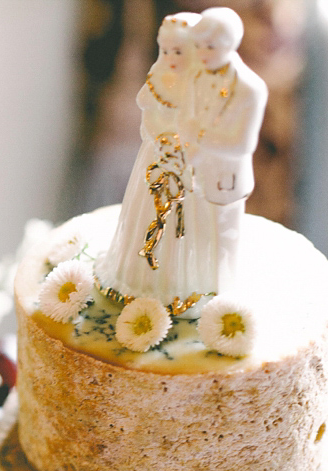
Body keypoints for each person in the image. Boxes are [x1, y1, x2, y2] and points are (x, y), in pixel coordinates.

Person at [95, 12, 219, 313]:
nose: (170, 57)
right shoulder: (158, 79)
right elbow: (147, 110)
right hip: (157, 158)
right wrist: (160, 138)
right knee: (146, 214)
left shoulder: (202, 87)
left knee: (187, 222)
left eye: (178, 51)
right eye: (165, 50)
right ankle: (140, 277)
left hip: (189, 167)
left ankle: (184, 281)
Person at [180, 6, 267, 296]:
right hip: (193, 171)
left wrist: (201, 137)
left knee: (223, 240)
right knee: (194, 234)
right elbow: (189, 118)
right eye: (199, 45)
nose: (203, 53)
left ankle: (220, 296)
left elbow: (242, 144)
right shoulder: (196, 76)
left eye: (211, 46)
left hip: (226, 176)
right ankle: (192, 289)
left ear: (230, 44)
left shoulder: (250, 89)